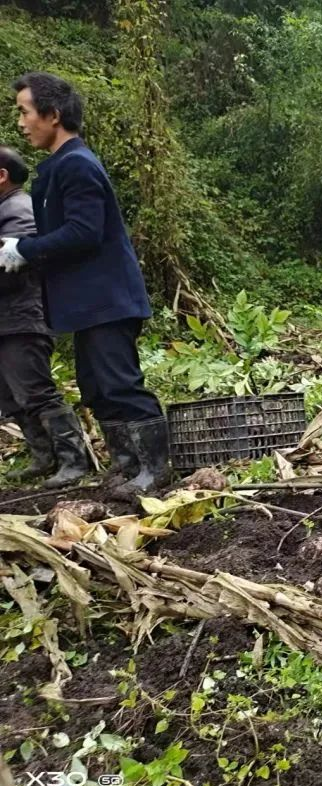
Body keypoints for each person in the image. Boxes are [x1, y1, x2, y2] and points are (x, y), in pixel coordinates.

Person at [0, 72, 169, 493]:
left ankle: (155, 470)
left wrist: (26, 248)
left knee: (120, 384)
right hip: (88, 303)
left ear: (52, 115)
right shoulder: (57, 166)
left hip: (107, 299)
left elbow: (84, 231)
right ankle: (128, 467)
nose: (21, 123)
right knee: (97, 388)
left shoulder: (76, 163)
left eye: (25, 112)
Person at [0, 145, 92, 487]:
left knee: (36, 391)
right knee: (11, 397)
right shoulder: (5, 207)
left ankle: (74, 459)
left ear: (2, 175)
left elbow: (17, 262)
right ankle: (44, 457)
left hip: (22, 316)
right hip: (7, 319)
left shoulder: (19, 208)